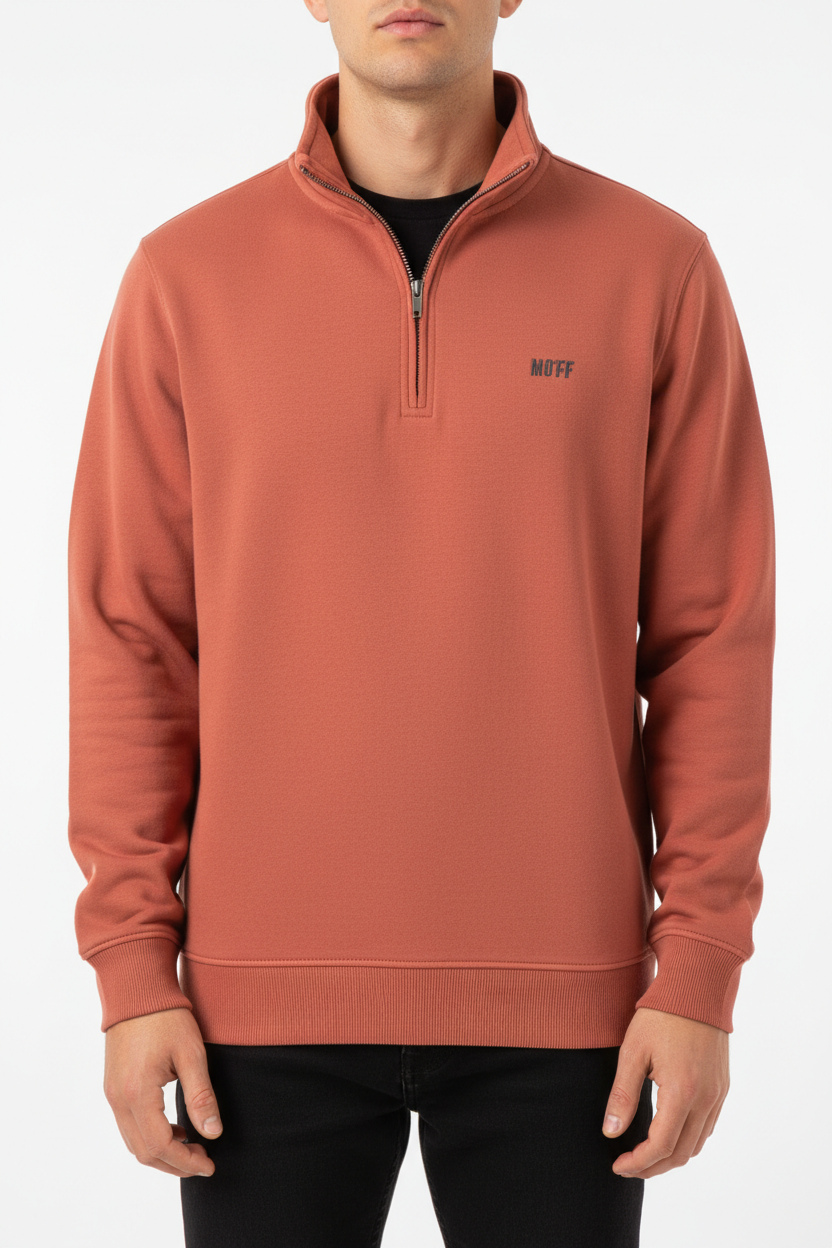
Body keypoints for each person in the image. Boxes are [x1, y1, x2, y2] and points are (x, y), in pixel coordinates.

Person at [67, 2, 776, 1245]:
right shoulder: (185, 276)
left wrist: (700, 968)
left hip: (573, 1010)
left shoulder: (654, 266)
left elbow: (712, 636)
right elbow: (131, 636)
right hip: (252, 1013)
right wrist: (132, 966)